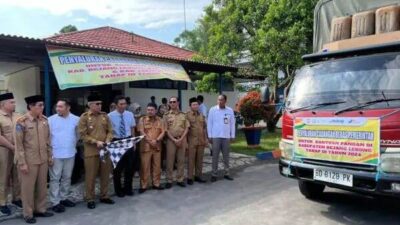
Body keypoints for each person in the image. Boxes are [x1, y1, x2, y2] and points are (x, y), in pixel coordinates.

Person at [15, 95, 54, 224]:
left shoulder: (44, 120)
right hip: (29, 161)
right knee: (27, 189)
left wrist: (49, 156)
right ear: (31, 106)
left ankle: (40, 209)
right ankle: (28, 213)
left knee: (42, 186)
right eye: (39, 105)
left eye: (43, 105)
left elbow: (48, 141)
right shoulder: (21, 122)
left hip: (42, 159)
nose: (42, 108)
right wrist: (22, 163)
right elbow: (19, 145)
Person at [78, 93, 114, 209]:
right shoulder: (84, 117)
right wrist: (95, 142)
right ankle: (90, 198)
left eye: (101, 104)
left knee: (105, 174)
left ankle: (104, 195)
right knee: (91, 176)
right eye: (97, 104)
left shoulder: (105, 116)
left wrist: (108, 140)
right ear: (90, 105)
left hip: (105, 150)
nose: (100, 106)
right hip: (91, 151)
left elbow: (110, 130)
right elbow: (83, 135)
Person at [48, 99, 79, 213]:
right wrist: (49, 153)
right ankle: (55, 202)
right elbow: (48, 137)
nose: (58, 109)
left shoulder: (76, 119)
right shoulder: (50, 120)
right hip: (55, 154)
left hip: (70, 152)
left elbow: (78, 135)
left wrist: (72, 145)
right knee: (55, 178)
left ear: (68, 107)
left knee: (67, 177)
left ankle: (64, 197)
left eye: (60, 107)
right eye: (57, 107)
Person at [108, 96, 136, 197]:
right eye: (121, 104)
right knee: (118, 169)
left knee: (129, 168)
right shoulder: (110, 116)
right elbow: (109, 132)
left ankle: (128, 188)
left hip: (128, 140)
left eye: (125, 104)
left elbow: (132, 128)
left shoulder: (130, 114)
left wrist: (134, 142)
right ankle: (118, 190)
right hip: (117, 142)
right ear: (116, 105)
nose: (124, 106)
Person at [0, 93, 21, 216]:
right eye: (11, 102)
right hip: (4, 150)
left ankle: (16, 198)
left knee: (17, 175)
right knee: (3, 177)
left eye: (14, 102)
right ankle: (2, 202)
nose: (14, 104)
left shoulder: (18, 116)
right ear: (3, 104)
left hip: (17, 150)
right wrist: (12, 147)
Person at [137, 103, 165, 193]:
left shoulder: (160, 120)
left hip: (157, 146)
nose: (150, 111)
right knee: (145, 167)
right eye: (148, 109)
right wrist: (150, 141)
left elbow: (163, 132)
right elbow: (141, 131)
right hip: (146, 147)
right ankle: (144, 185)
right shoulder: (142, 119)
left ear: (156, 110)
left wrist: (156, 141)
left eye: (152, 110)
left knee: (157, 167)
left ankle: (156, 184)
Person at [207, 95, 235, 182]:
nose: (220, 101)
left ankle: (227, 173)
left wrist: (232, 135)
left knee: (226, 156)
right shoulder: (213, 110)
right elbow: (209, 123)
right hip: (215, 136)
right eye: (218, 100)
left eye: (222, 100)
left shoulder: (230, 110)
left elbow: (232, 124)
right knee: (215, 156)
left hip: (226, 136)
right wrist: (210, 135)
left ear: (225, 101)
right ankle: (214, 174)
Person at [163, 97, 190, 188]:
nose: (172, 103)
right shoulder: (166, 115)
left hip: (182, 140)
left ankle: (180, 179)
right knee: (170, 161)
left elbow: (186, 128)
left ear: (178, 102)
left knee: (181, 160)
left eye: (174, 102)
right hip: (171, 140)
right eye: (170, 102)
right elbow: (165, 130)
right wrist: (174, 140)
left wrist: (181, 139)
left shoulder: (183, 115)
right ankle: (169, 180)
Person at [186, 97, 207, 185]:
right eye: (193, 104)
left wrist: (205, 139)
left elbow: (204, 128)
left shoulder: (201, 115)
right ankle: (190, 177)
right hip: (192, 142)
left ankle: (198, 176)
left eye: (197, 104)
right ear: (190, 106)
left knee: (199, 160)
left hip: (201, 141)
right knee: (191, 160)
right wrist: (186, 143)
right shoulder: (186, 115)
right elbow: (186, 130)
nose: (195, 106)